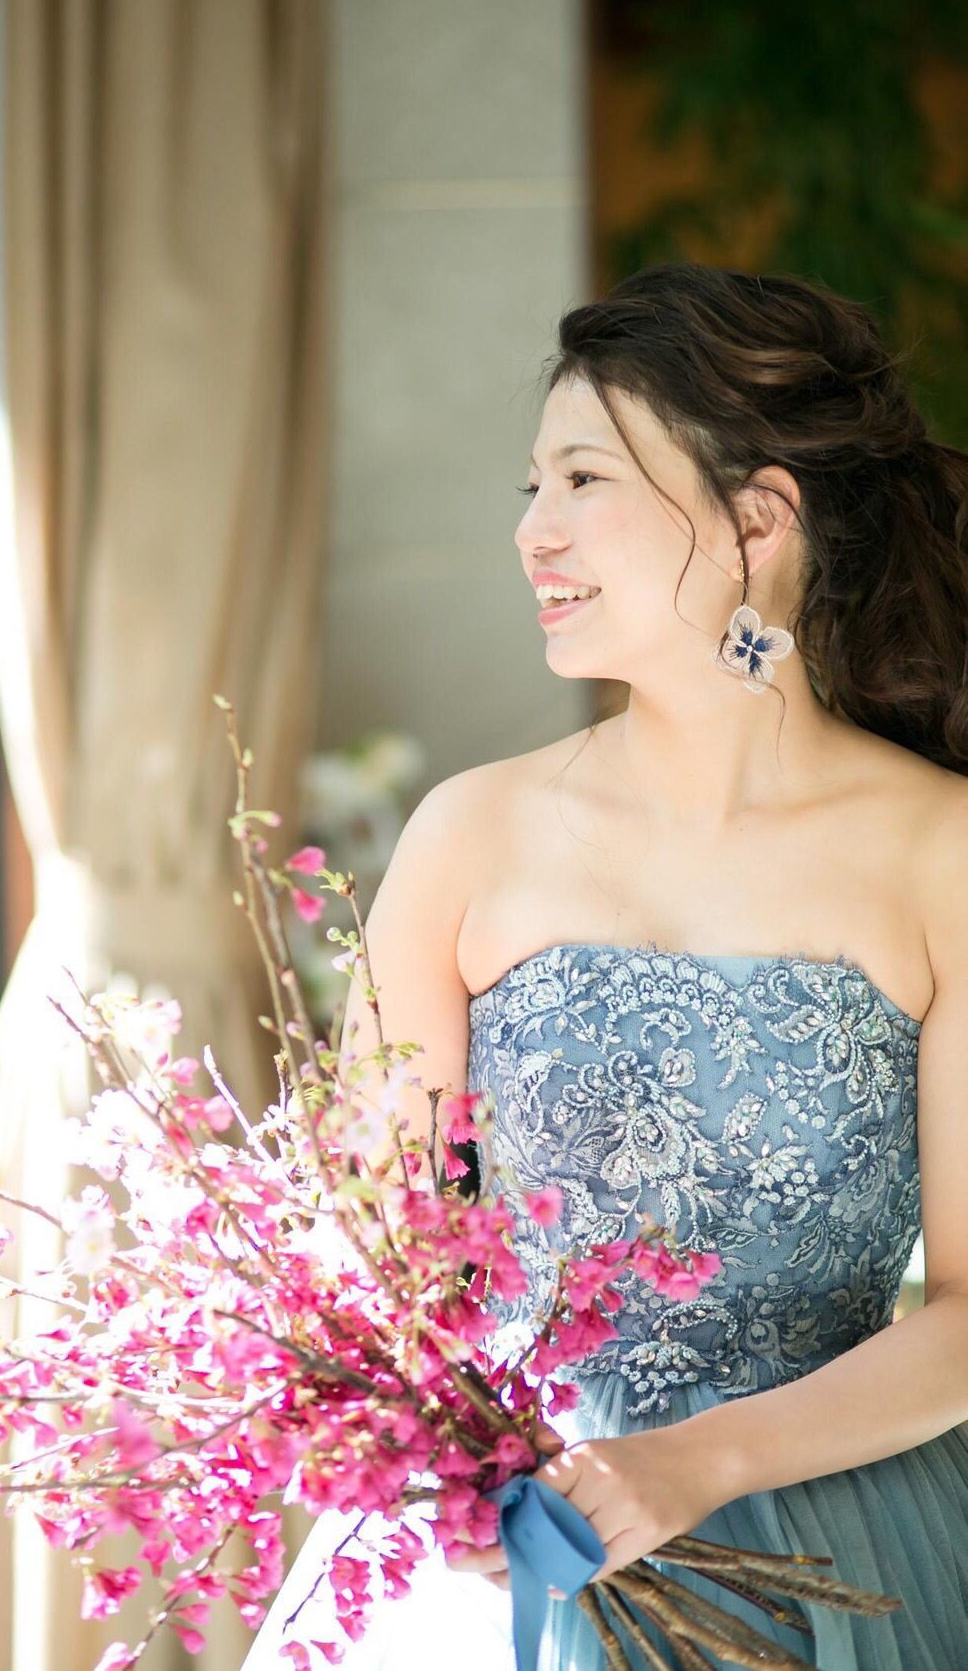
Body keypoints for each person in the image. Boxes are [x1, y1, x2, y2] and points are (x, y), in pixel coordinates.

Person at [237, 263, 968, 1669]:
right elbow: (372, 1263)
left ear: (757, 519)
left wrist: (700, 1463)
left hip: (837, 1549)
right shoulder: (469, 833)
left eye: (582, 479)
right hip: (502, 1538)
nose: (533, 530)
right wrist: (433, 1446)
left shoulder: (944, 853)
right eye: (533, 487)